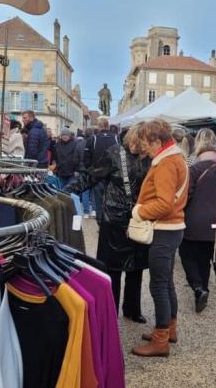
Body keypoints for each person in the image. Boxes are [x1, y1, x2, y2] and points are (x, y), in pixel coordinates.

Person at [65, 123, 150, 323]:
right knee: (112, 268)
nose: (140, 148)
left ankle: (132, 308)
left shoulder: (149, 157)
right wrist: (68, 191)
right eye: (139, 143)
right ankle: (110, 309)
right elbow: (91, 176)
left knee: (136, 268)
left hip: (139, 218)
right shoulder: (114, 153)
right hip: (113, 219)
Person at [131, 119, 188, 358]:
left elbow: (164, 204)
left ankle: (161, 339)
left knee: (158, 284)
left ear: (156, 140)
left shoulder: (166, 163)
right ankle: (168, 330)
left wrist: (139, 211)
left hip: (164, 228)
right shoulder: (175, 158)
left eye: (145, 142)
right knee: (166, 283)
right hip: (172, 228)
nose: (144, 147)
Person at [179, 129, 216, 313]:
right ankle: (204, 289)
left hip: (195, 220)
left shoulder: (194, 168)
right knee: (204, 258)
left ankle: (198, 287)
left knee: (187, 254)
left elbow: (187, 195)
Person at [85, 118, 119, 221]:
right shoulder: (116, 138)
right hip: (113, 175)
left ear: (99, 127)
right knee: (112, 200)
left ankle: (100, 222)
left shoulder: (93, 139)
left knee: (99, 200)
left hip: (98, 175)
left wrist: (90, 171)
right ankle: (110, 221)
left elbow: (86, 158)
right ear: (108, 126)